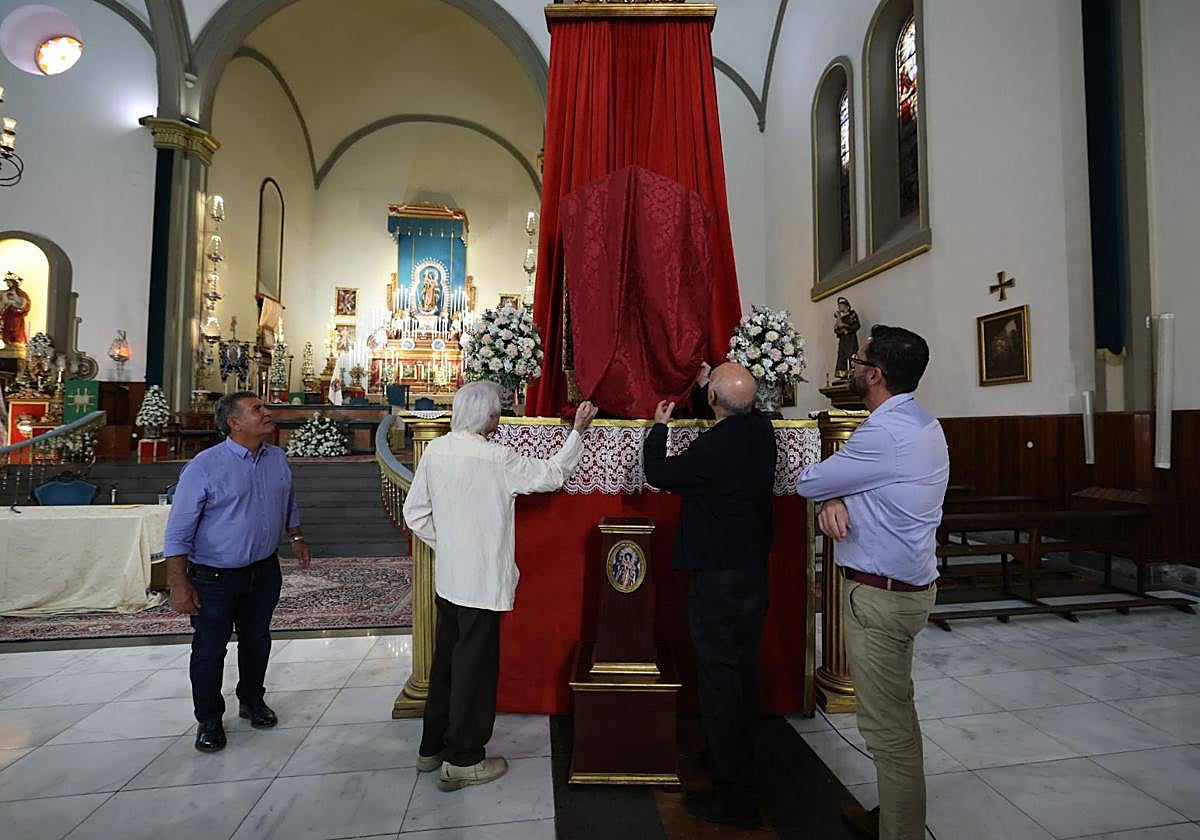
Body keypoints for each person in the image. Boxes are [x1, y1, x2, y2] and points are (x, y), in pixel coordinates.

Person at [403, 382, 597, 792]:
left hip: (451, 577)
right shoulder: (496, 458)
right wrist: (578, 430)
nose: (500, 417)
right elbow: (553, 474)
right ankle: (464, 759)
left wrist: (450, 546)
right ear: (489, 417)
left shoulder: (436, 451)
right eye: (498, 412)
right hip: (481, 580)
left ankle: (431, 747)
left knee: (447, 664)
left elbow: (415, 513)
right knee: (474, 669)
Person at [794, 325, 948, 840]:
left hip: (881, 598)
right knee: (896, 714)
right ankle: (895, 815)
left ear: (875, 374)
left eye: (857, 361)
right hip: (908, 589)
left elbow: (809, 481)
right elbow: (860, 485)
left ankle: (900, 833)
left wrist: (832, 493)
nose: (851, 368)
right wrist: (839, 497)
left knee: (888, 730)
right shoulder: (922, 423)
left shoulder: (884, 433)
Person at [643, 362, 777, 830]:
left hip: (718, 581)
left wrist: (659, 429)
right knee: (740, 671)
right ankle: (728, 757)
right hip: (753, 576)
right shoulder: (761, 430)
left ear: (716, 402)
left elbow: (658, 472)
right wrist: (707, 389)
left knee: (720, 680)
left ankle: (735, 799)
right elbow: (737, 409)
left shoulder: (713, 447)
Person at [163, 391, 312, 753]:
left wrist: (296, 535)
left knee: (257, 640)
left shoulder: (276, 458)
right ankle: (209, 719)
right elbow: (178, 530)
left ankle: (252, 701)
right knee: (210, 649)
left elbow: (287, 498)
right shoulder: (204, 466)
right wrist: (178, 581)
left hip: (263, 570)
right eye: (257, 409)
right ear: (234, 422)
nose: (267, 412)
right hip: (214, 576)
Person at [834, 296, 861, 381]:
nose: (839, 307)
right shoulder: (841, 317)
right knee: (842, 355)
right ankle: (843, 373)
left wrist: (846, 327)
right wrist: (839, 320)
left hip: (850, 339)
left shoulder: (852, 314)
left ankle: (853, 372)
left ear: (846, 306)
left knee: (851, 354)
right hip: (843, 340)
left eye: (840, 305)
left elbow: (856, 325)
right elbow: (837, 328)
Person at [1, 272, 30, 348]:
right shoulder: (6, 293)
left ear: (14, 283)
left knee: (16, 331)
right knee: (7, 330)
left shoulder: (21, 293)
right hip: (8, 315)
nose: (8, 284)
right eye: (7, 282)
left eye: (9, 282)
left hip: (17, 316)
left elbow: (26, 305)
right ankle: (8, 343)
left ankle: (16, 343)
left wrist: (18, 307)